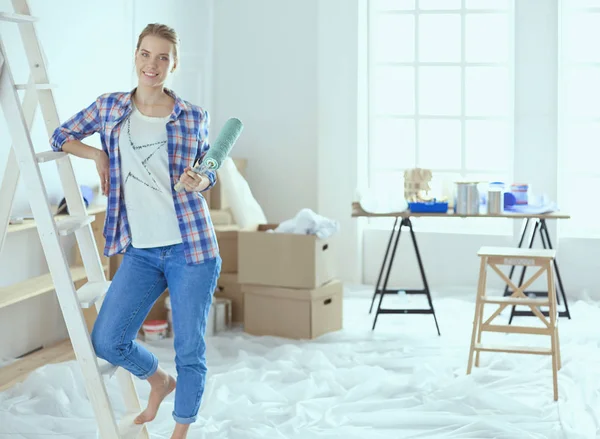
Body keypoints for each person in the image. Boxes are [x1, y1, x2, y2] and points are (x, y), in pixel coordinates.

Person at [50, 23, 221, 439]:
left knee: (189, 350)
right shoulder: (110, 107)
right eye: (146, 54)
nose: (153, 64)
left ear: (173, 64)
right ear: (136, 56)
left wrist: (205, 180)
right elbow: (60, 136)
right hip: (141, 250)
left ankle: (179, 434)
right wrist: (99, 156)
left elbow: (207, 169)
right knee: (108, 340)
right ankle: (157, 380)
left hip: (191, 248)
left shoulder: (192, 115)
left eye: (163, 57)